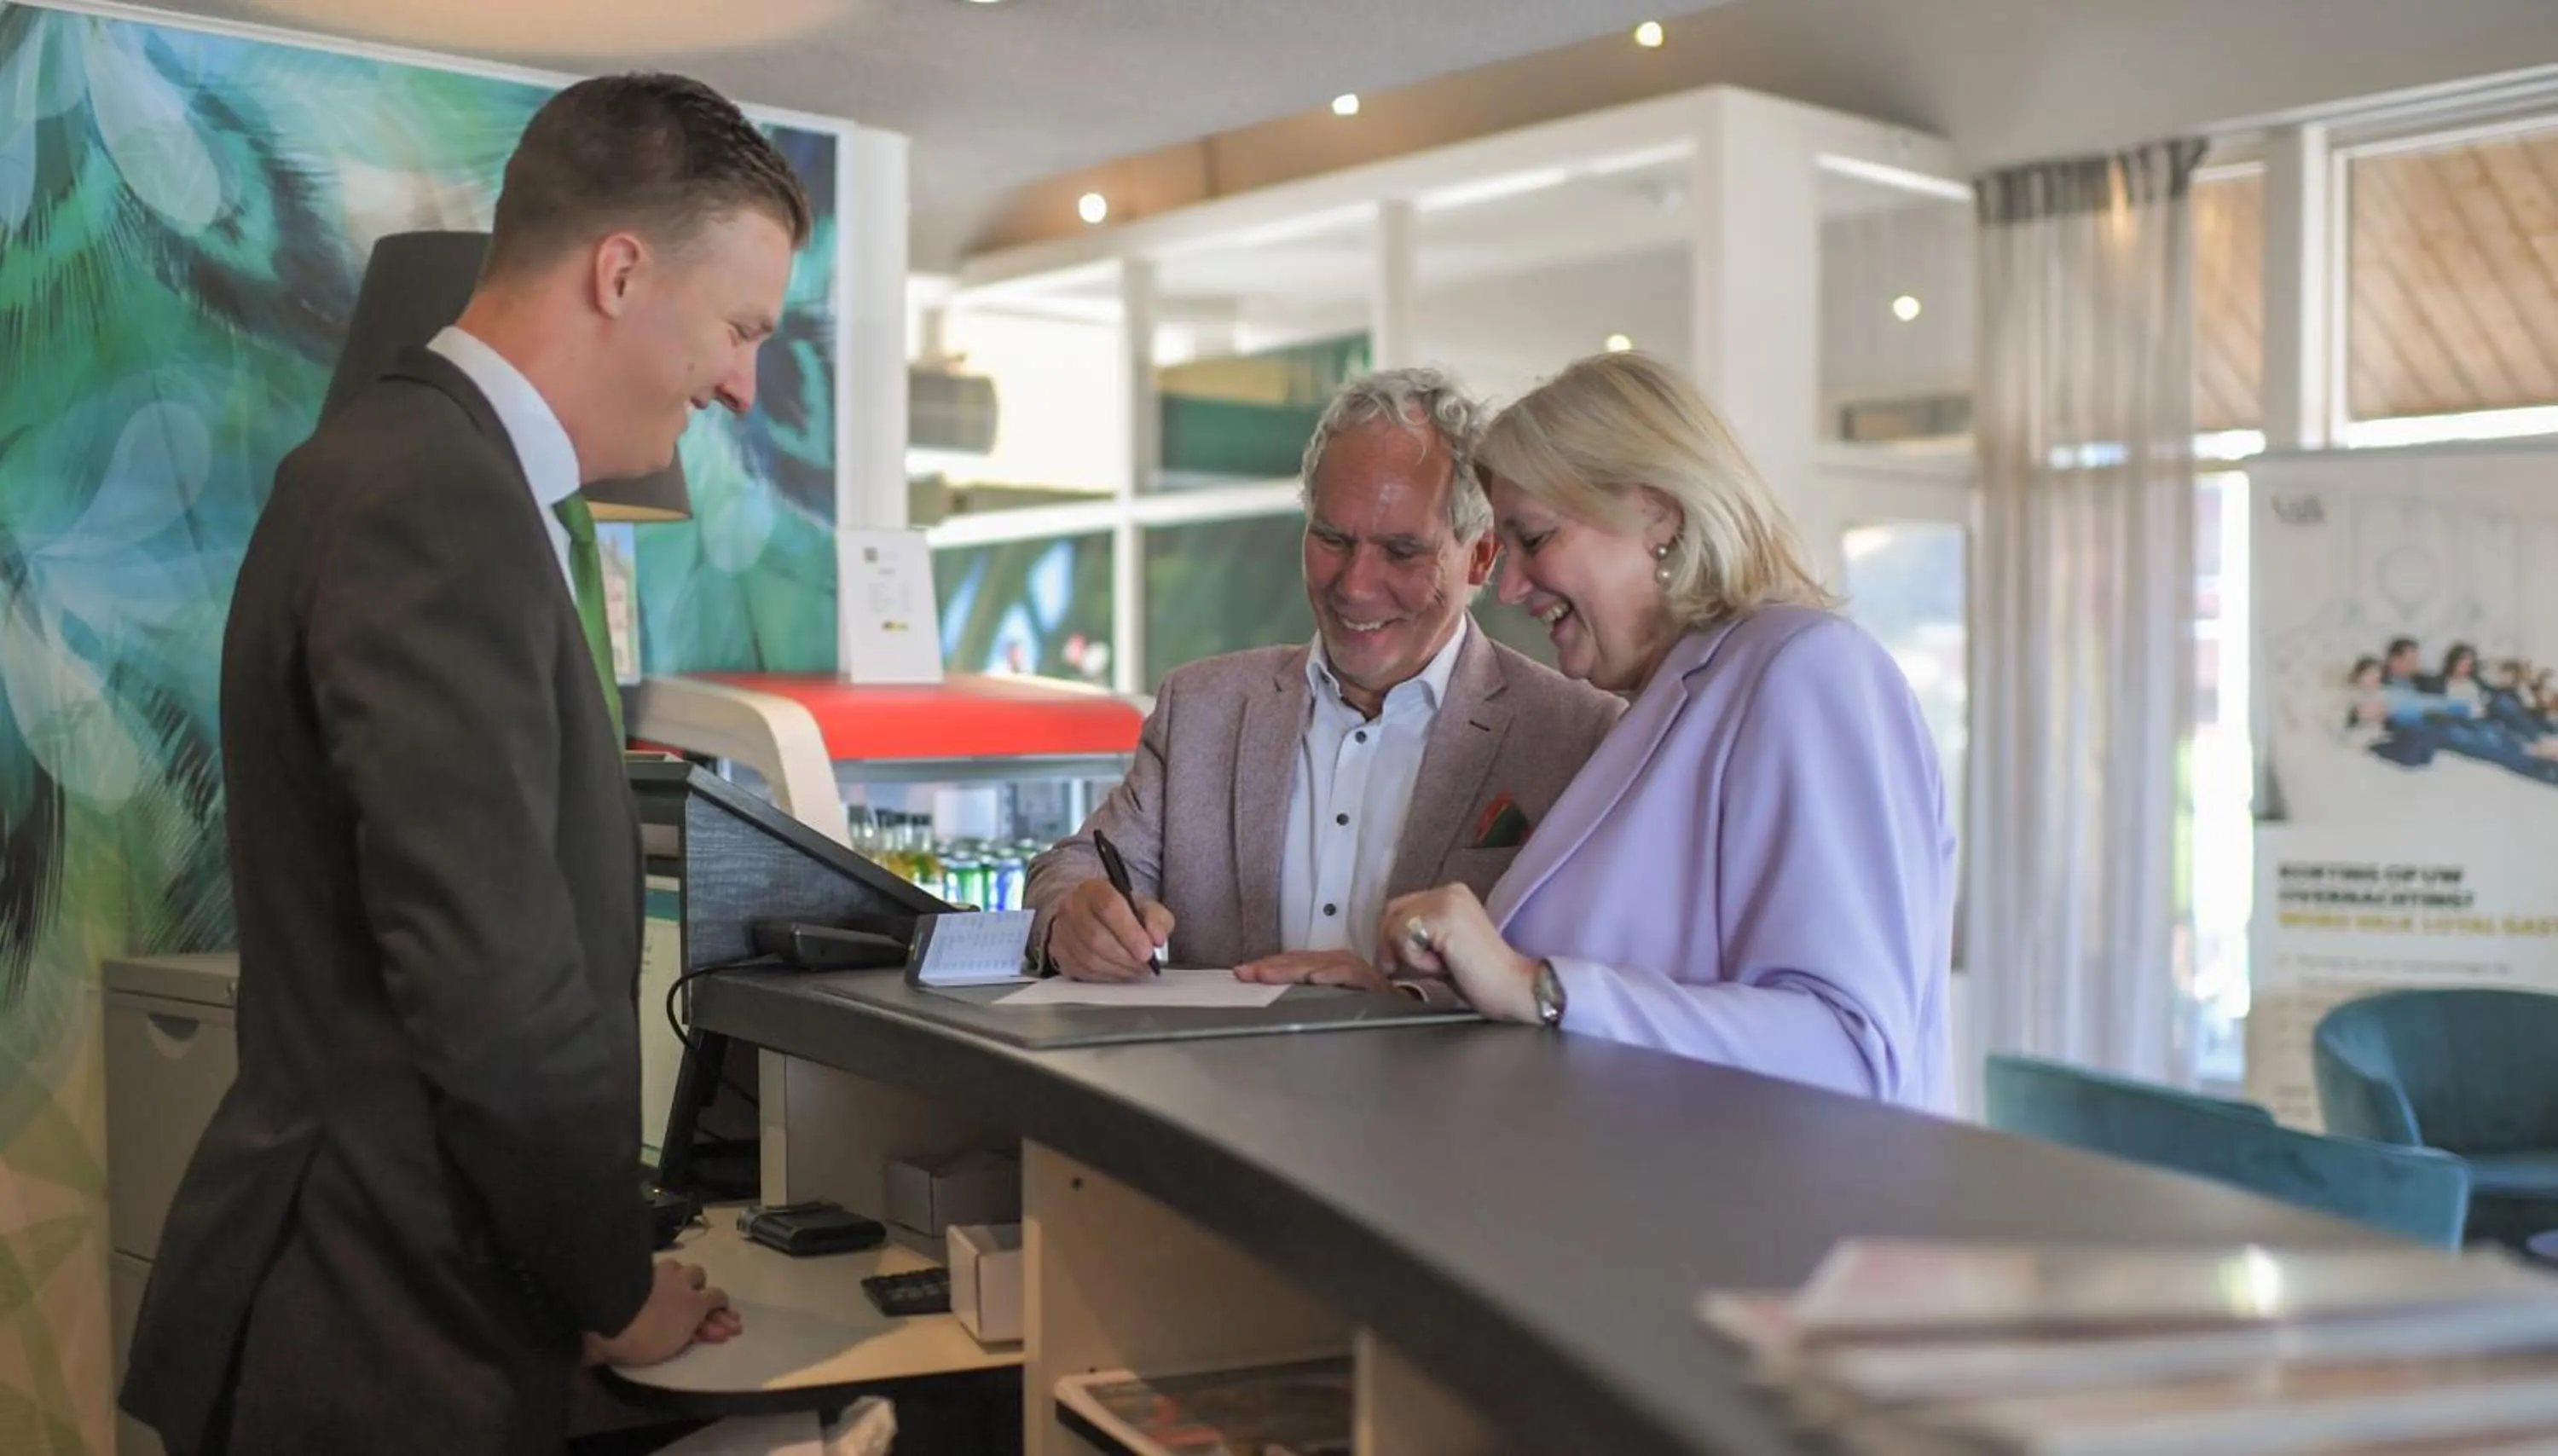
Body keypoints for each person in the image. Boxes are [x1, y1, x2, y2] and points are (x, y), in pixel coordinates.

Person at [120, 73, 810, 1456]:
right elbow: (492, 981)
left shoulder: (422, 473)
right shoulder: (435, 497)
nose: (742, 380)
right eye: (740, 327)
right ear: (621, 272)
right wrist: (611, 1290)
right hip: (380, 1329)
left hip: (391, 1294)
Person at [1365, 351, 1953, 1108]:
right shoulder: (1673, 700)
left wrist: (1538, 986)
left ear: (1660, 515)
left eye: (1535, 539)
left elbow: (1851, 1049)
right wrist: (1412, 998)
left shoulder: (1806, 669)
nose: (1507, 587)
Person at [1025, 367, 1622, 984]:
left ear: (1480, 556)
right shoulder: (1202, 707)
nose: (1357, 585)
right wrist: (1070, 917)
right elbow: (1071, 867)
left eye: (1401, 551)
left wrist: (1397, 1001)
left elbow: (1590, 978)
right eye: (1333, 539)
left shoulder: (1576, 737)